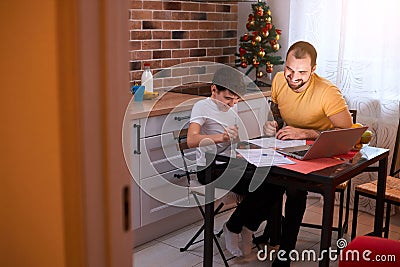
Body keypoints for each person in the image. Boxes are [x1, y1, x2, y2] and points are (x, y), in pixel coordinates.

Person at [263, 41, 353, 266]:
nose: (293, 77)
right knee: (266, 178)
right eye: (289, 70)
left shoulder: (327, 91)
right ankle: (267, 230)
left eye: (302, 72)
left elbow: (347, 131)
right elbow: (276, 109)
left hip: (319, 149)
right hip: (288, 146)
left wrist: (308, 133)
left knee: (294, 188)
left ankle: (285, 251)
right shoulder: (278, 80)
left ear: (313, 70)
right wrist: (273, 124)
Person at [187, 66, 283, 257]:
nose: (233, 103)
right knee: (262, 186)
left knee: (277, 182)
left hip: (233, 162)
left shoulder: (232, 104)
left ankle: (247, 225)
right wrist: (221, 137)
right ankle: (235, 226)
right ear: (214, 90)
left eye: (236, 99)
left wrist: (262, 134)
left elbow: (235, 139)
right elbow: (191, 140)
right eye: (228, 98)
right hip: (210, 168)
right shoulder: (202, 107)